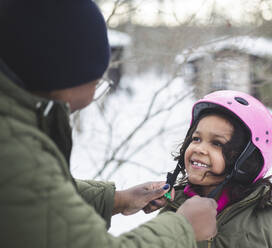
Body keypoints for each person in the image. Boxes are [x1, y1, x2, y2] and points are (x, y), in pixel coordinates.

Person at [0, 0, 218, 247]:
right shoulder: (13, 149)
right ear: (63, 76)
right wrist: (183, 229)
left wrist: (117, 200)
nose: (201, 149)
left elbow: (37, 202)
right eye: (97, 82)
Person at [160, 90, 272, 247]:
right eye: (196, 139)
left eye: (217, 143)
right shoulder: (174, 208)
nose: (199, 149)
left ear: (247, 163)